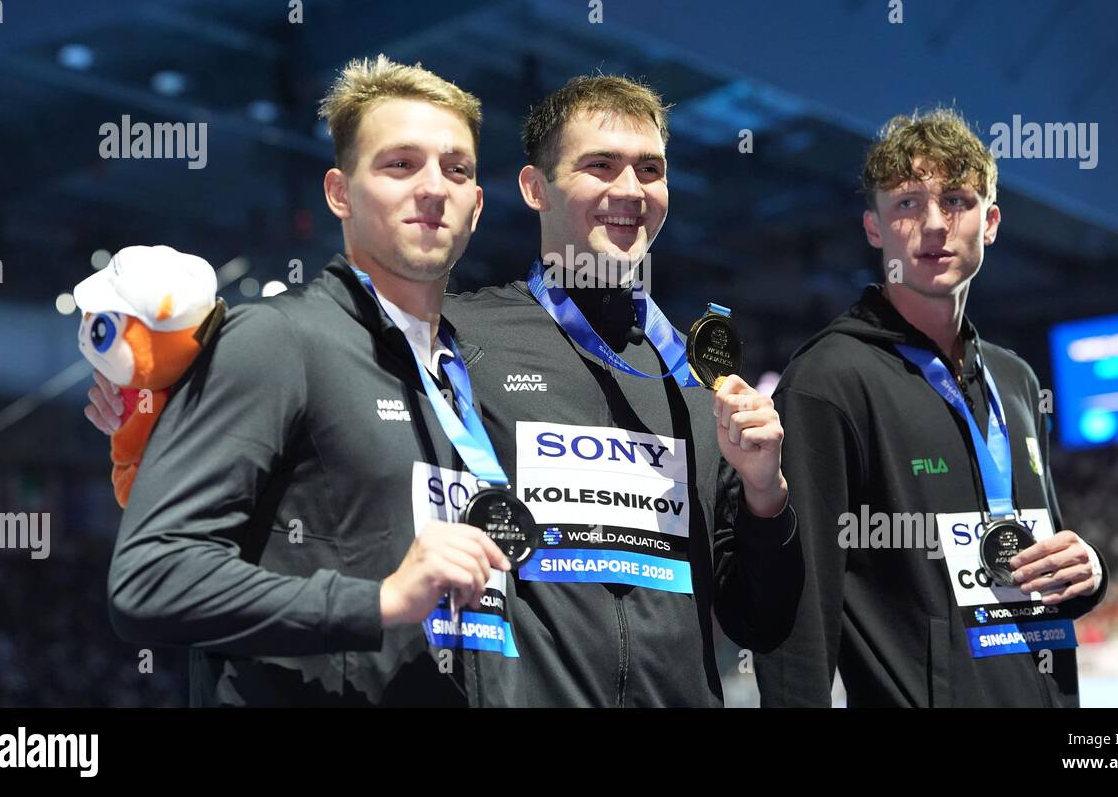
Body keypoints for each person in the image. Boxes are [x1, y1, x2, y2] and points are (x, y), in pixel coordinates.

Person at [98, 56, 515, 705]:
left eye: (456, 169)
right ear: (339, 193)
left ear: (478, 204)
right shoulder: (274, 340)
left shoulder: (476, 377)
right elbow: (150, 577)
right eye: (399, 164)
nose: (434, 187)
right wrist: (377, 602)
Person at [441, 75, 802, 706]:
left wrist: (765, 492)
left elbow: (760, 622)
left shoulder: (698, 379)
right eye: (600, 166)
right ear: (534, 188)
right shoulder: (465, 337)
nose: (630, 191)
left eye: (650, 169)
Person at [756, 108, 1107, 707]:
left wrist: (1088, 575)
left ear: (990, 221)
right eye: (907, 204)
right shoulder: (829, 380)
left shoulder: (1016, 381)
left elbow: (1042, 551)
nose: (935, 225)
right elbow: (800, 597)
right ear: (874, 229)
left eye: (957, 202)